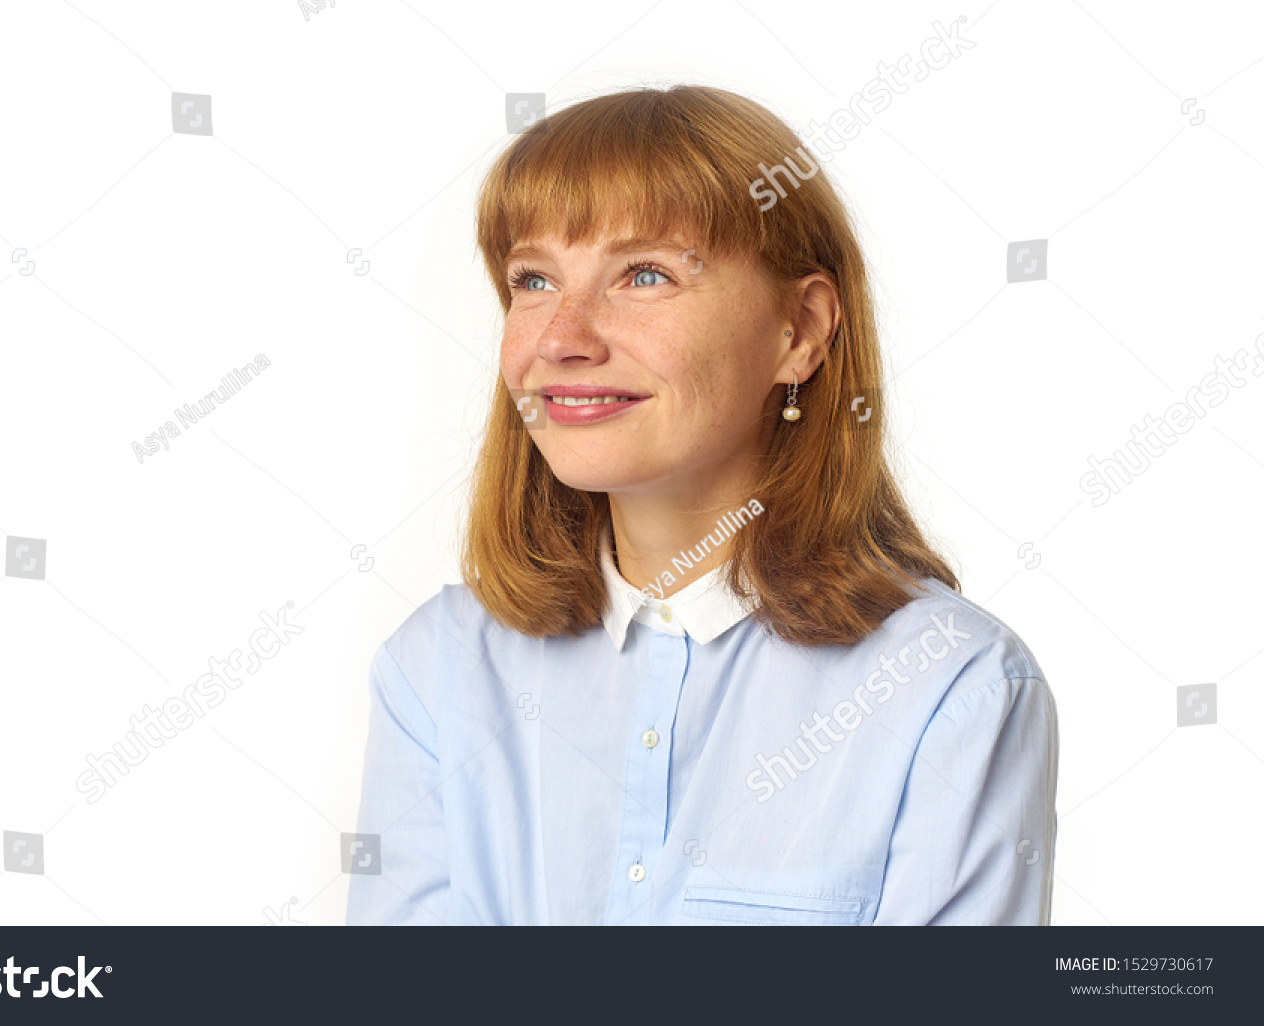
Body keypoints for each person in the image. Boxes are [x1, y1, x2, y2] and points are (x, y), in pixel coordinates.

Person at [346, 85, 1057, 925]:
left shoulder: (952, 688)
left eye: (645, 273)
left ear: (800, 330)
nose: (563, 337)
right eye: (533, 278)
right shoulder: (437, 671)